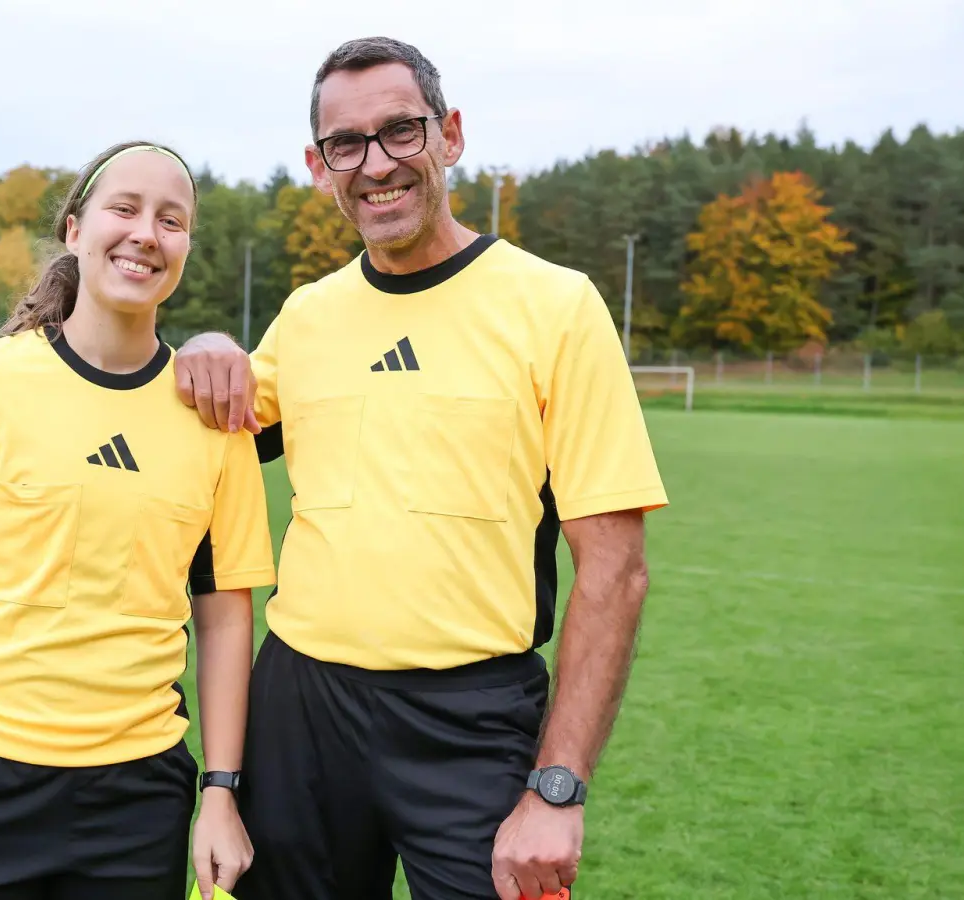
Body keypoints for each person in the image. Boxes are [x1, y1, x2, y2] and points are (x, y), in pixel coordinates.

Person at [172, 37, 669, 900]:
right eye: (346, 146)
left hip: (470, 722)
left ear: (452, 135)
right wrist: (210, 344)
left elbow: (616, 573)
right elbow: (214, 419)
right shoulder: (309, 314)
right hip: (301, 708)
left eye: (401, 131)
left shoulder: (556, 306)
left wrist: (556, 789)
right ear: (319, 167)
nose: (376, 165)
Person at [0, 140, 275, 900]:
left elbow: (222, 618)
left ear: (186, 247)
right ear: (75, 229)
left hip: (138, 799)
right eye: (125, 208)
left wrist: (219, 792)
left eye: (171, 219)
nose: (146, 233)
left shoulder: (217, 418)